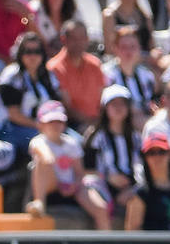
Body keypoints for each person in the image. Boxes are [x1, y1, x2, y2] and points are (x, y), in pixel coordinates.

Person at [26, 100, 111, 228]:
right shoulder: (38, 141)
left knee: (101, 208)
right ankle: (40, 202)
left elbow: (79, 173)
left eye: (58, 121)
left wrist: (73, 186)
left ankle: (106, 243)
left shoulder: (72, 143)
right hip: (51, 184)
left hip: (72, 186)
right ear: (40, 124)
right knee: (42, 162)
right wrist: (61, 184)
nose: (55, 125)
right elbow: (46, 157)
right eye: (50, 121)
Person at [0, 31, 64, 155]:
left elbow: (56, 103)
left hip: (43, 126)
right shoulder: (11, 76)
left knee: (73, 141)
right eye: (28, 52)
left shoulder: (47, 75)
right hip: (12, 127)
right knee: (48, 145)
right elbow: (13, 115)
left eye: (37, 52)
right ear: (20, 53)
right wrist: (40, 126)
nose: (33, 56)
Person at [83, 84, 143, 221]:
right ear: (105, 108)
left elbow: (141, 167)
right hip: (103, 184)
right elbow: (86, 170)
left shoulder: (135, 137)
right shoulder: (95, 136)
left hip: (131, 187)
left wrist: (132, 188)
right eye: (113, 104)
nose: (118, 108)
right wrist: (108, 177)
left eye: (122, 104)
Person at [49, 19, 107, 130]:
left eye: (82, 38)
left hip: (98, 122)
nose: (78, 42)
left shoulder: (95, 63)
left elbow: (102, 97)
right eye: (73, 38)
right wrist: (91, 123)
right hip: (73, 125)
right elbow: (67, 107)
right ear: (63, 40)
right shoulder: (54, 68)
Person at [102, 24, 160, 129]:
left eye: (133, 47)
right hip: (119, 123)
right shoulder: (106, 74)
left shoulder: (147, 75)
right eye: (124, 47)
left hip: (145, 120)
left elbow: (151, 102)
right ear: (115, 48)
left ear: (139, 48)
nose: (128, 51)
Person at [125, 129, 170, 230]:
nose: (157, 157)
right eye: (151, 153)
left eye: (162, 152)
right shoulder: (141, 193)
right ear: (145, 158)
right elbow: (132, 233)